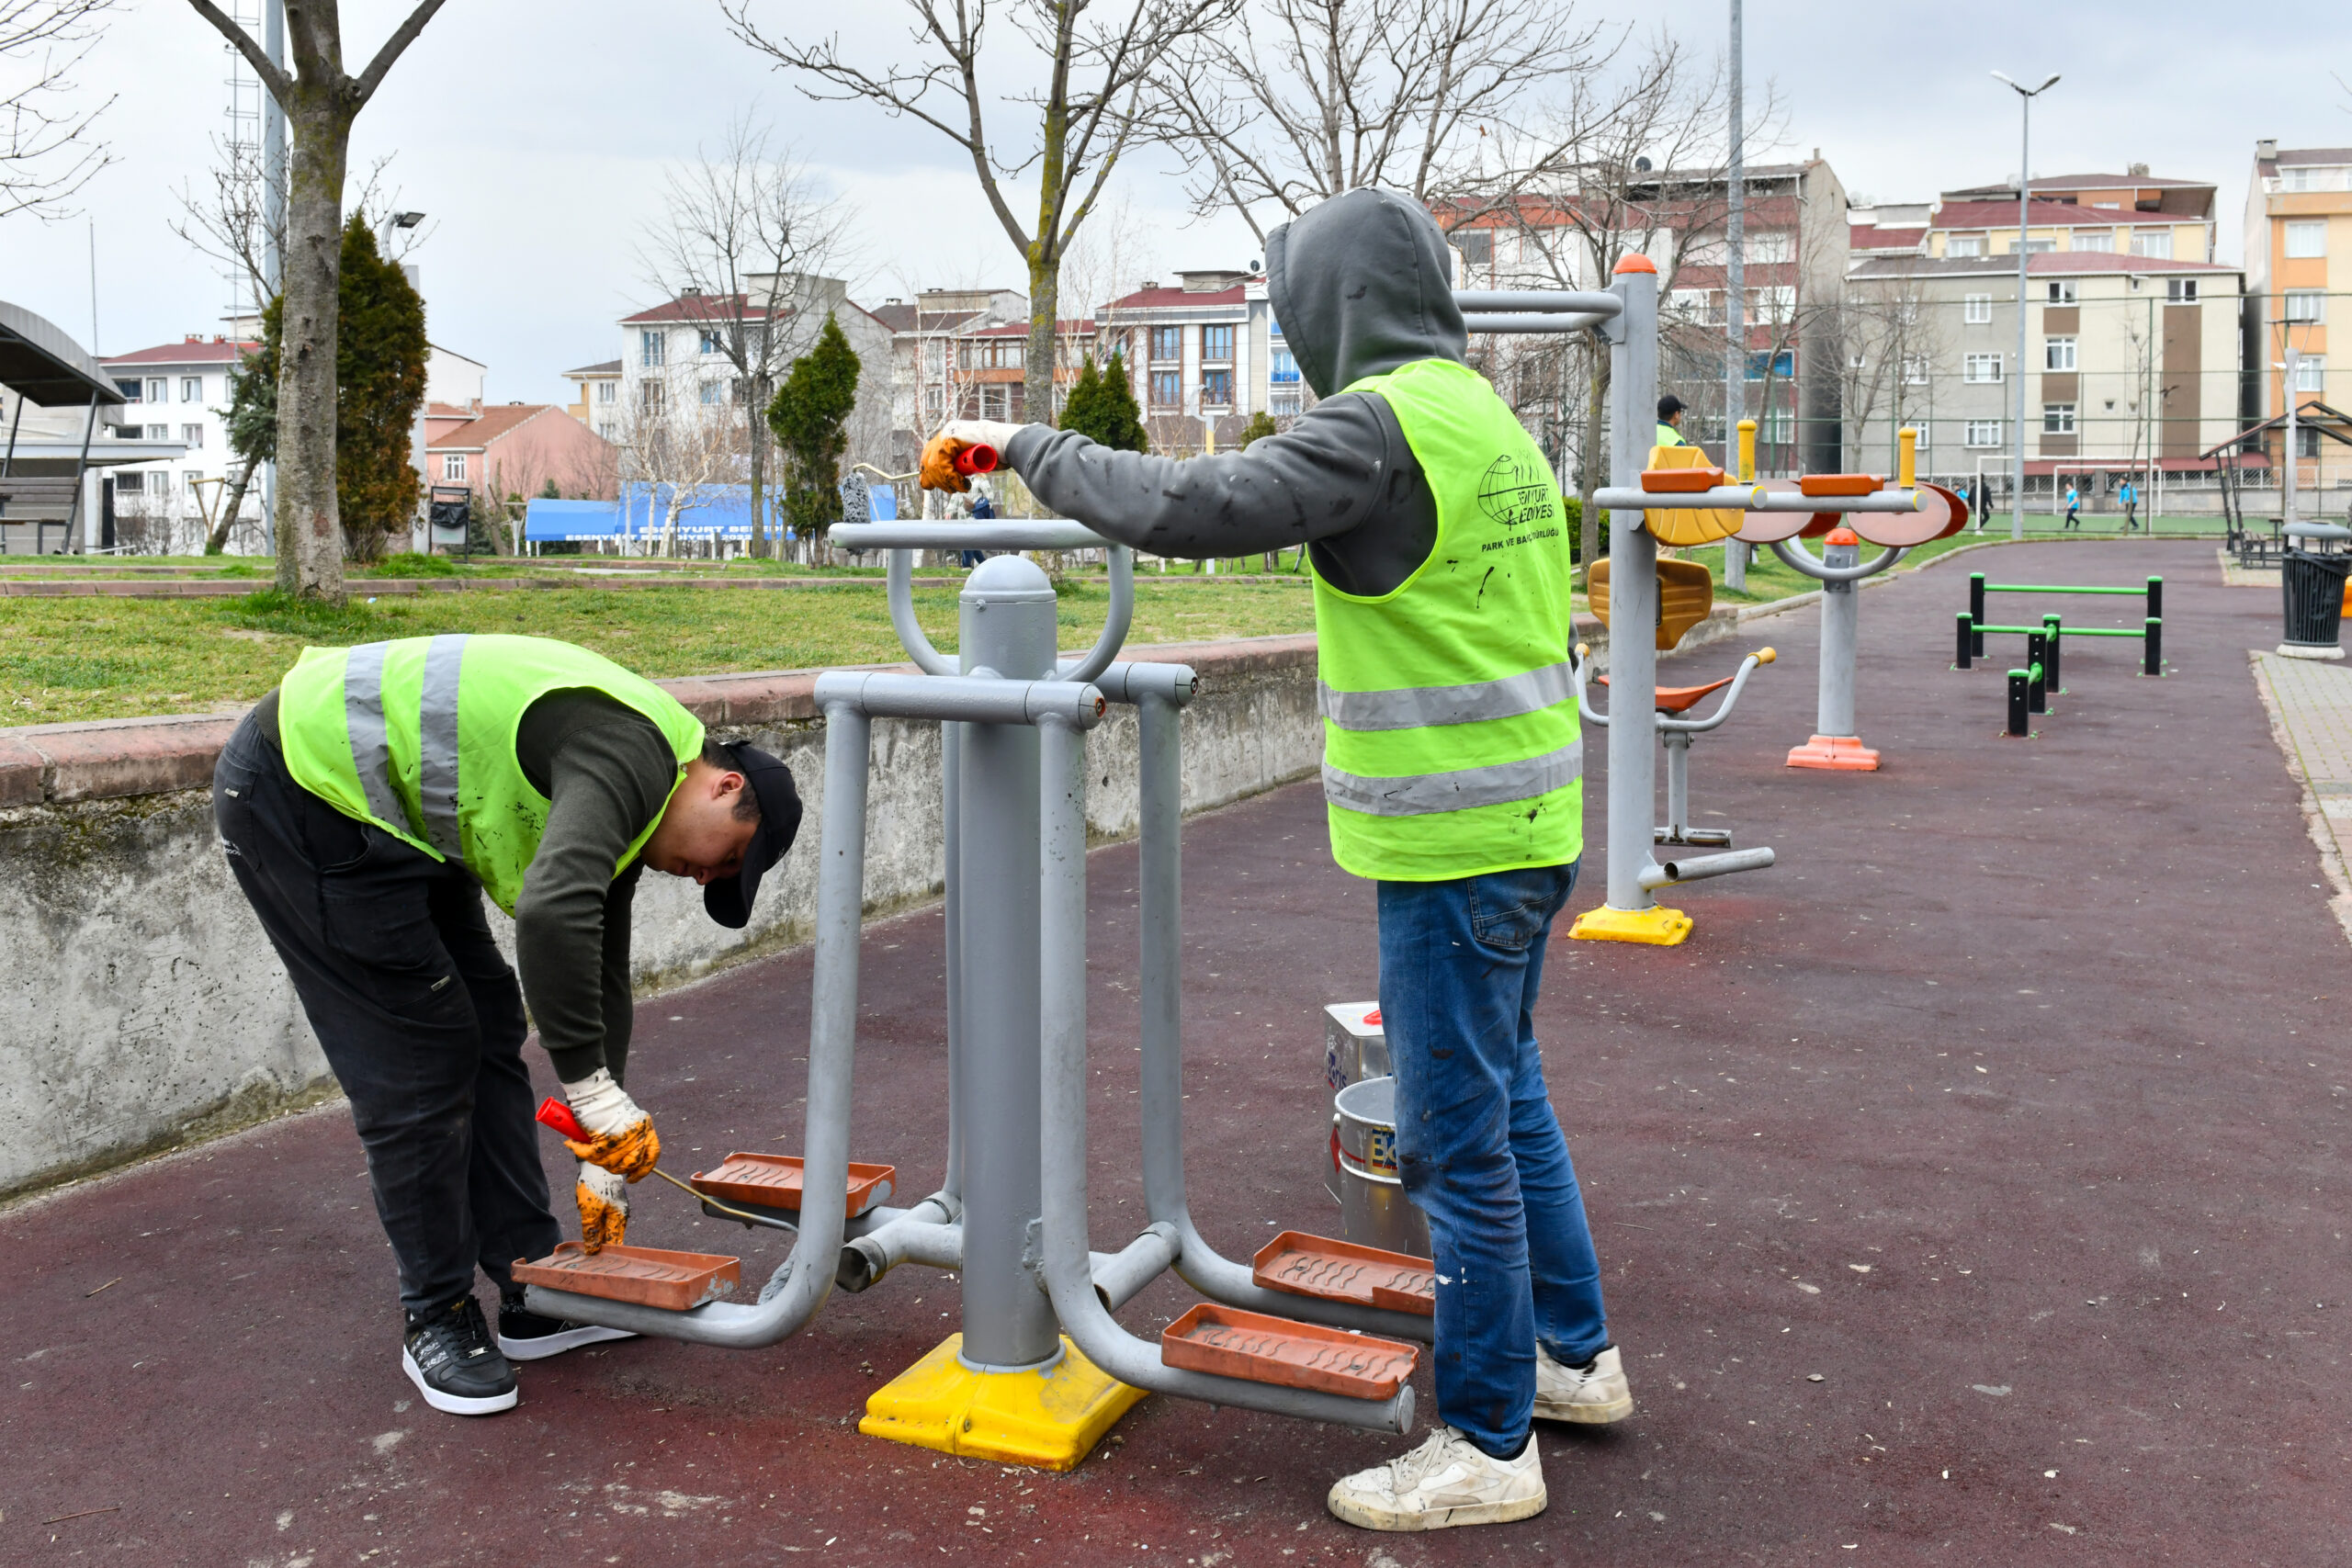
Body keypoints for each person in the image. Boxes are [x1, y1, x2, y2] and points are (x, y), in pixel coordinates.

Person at [920, 186, 1625, 1533]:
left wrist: (1021, 439)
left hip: (1452, 840)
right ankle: (1571, 1357)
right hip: (1528, 825)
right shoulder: (1486, 421)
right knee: (1508, 1101)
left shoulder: (1379, 424)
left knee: (1454, 1144)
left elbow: (1196, 501)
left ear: (1329, 307)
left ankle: (1488, 1439)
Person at [211, 635, 801, 1416]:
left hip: (389, 813)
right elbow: (554, 911)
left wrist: (603, 1153)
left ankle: (531, 1284)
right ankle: (437, 1314)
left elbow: (596, 967)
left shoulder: (644, 798)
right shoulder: (633, 755)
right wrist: (593, 1096)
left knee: (488, 1024)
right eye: (725, 861)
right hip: (301, 789)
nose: (705, 878)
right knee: (422, 1054)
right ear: (725, 786)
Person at [962, 488, 996, 568]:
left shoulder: (976, 514)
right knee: (974, 546)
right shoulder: (982, 503)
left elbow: (979, 525)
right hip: (991, 526)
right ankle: (983, 563)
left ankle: (966, 565)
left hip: (985, 530)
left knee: (968, 543)